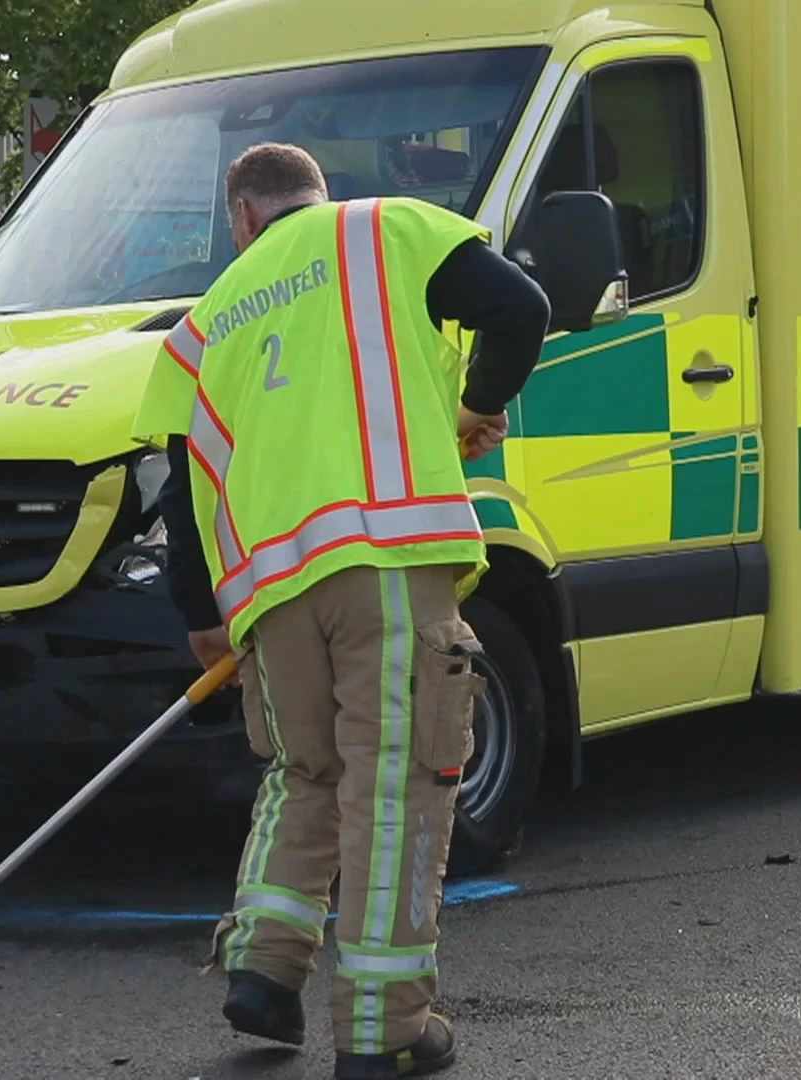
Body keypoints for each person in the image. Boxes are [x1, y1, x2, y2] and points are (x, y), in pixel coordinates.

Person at [130, 142, 549, 1077]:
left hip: (271, 592)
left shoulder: (204, 325)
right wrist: (473, 407)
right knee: (398, 784)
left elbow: (184, 490)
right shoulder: (381, 228)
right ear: (319, 198)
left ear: (241, 219)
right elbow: (520, 307)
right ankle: (384, 1028)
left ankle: (264, 970)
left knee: (305, 773)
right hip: (389, 560)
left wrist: (203, 611)